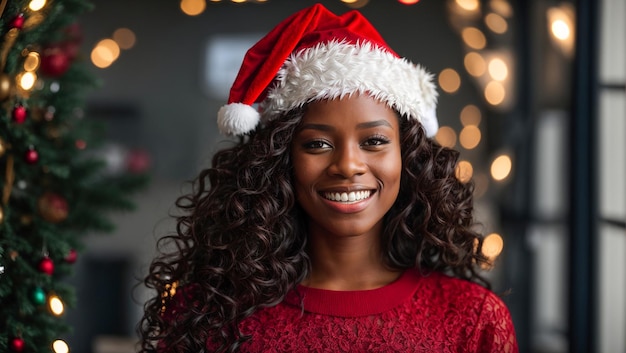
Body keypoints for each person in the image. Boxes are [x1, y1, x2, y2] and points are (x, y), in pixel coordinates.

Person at [138, 3, 518, 352]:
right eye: (318, 144)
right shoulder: (209, 314)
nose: (348, 165)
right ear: (278, 160)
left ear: (409, 157)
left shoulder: (474, 319)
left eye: (374, 141)